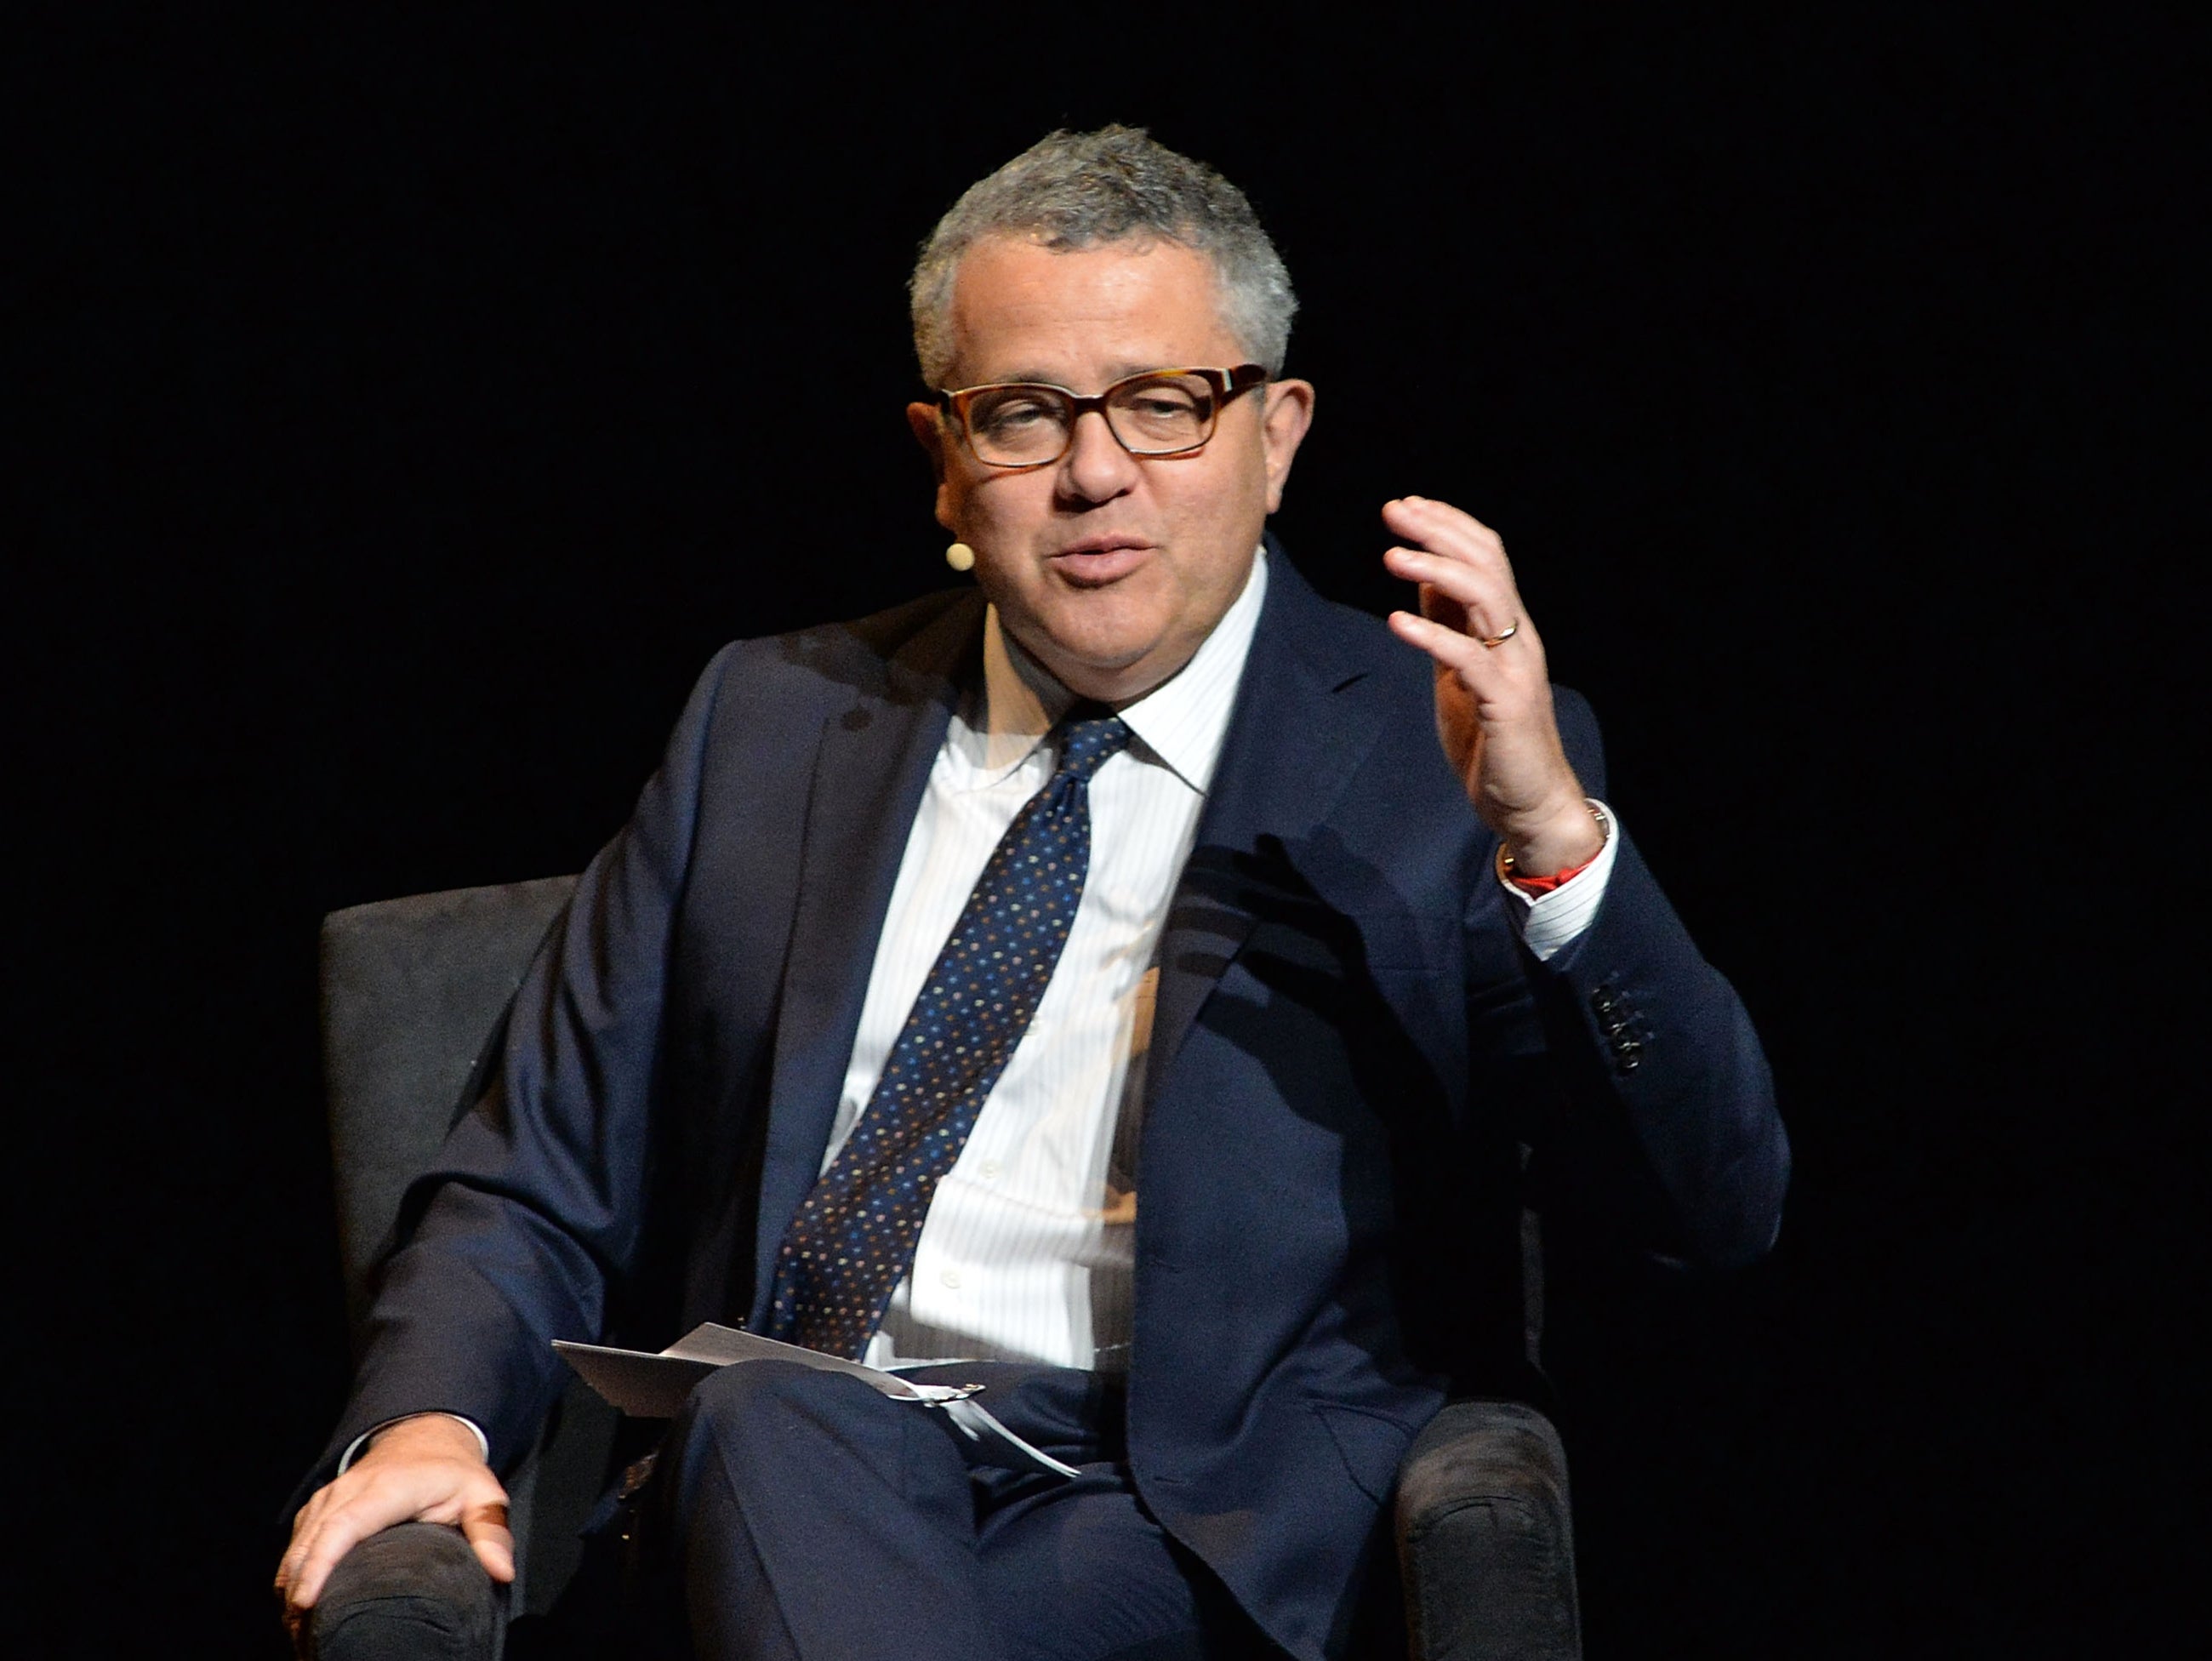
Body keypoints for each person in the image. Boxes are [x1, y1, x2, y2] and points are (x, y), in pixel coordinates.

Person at [277, 126, 1787, 1660]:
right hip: (783, 1481)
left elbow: (1708, 1211)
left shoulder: (1432, 756)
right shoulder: (776, 720)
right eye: (1024, 416)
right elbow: (533, 1167)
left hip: (1187, 1531)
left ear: (1277, 435)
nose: (1093, 473)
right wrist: (426, 1419)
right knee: (780, 1414)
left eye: (1163, 405)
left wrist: (1552, 844)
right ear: (943, 453)